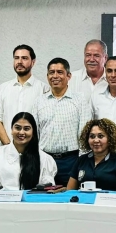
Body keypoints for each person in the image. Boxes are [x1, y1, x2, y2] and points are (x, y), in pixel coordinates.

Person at [31, 58, 91, 187]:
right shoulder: (39, 102)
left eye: (60, 72)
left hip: (72, 160)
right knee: (45, 200)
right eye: (51, 72)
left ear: (68, 76)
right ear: (47, 76)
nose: (55, 76)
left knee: (70, 199)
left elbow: (85, 134)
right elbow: (33, 134)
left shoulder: (80, 100)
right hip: (44, 159)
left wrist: (81, 161)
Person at [0, 112, 57, 191]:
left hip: (31, 202)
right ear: (11, 130)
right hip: (4, 201)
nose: (21, 132)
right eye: (18, 128)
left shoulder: (45, 159)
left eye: (26, 129)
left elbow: (47, 191)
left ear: (33, 132)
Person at [0, 45, 48, 146]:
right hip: (7, 150)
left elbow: (46, 124)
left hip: (34, 151)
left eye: (24, 58)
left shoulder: (44, 89)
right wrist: (8, 146)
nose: (19, 61)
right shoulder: (3, 88)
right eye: (16, 58)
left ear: (33, 62)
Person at [67, 119, 116, 192]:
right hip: (84, 202)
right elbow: (70, 192)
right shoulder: (81, 160)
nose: (96, 140)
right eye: (92, 136)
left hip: (110, 202)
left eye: (100, 136)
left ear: (110, 138)